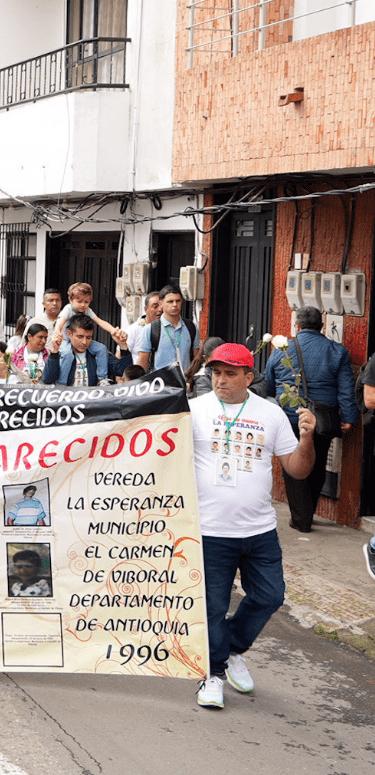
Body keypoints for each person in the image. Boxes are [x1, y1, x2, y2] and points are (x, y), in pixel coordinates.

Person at [191, 342, 315, 709]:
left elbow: (297, 469)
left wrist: (307, 438)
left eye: (230, 373)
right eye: (216, 373)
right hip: (210, 530)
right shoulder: (193, 410)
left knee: (270, 596)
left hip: (259, 530)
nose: (221, 380)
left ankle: (231, 649)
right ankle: (211, 675)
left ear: (249, 376)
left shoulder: (271, 414)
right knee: (212, 607)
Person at [263, 306, 358, 532]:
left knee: (293, 465)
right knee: (317, 463)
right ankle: (307, 513)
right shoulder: (337, 350)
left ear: (297, 326)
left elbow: (268, 382)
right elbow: (346, 388)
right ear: (322, 326)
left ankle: (301, 519)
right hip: (323, 419)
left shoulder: (281, 350)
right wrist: (349, 416)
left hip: (289, 417)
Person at [136, 285, 199, 372]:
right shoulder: (150, 329)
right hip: (160, 383)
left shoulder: (191, 327)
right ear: (161, 303)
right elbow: (143, 362)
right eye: (170, 301)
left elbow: (197, 359)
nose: (174, 305)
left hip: (184, 383)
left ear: (182, 302)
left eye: (178, 301)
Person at [42, 314, 109, 386]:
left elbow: (118, 370)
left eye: (88, 338)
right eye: (80, 337)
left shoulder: (98, 353)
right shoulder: (63, 353)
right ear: (69, 334)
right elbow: (48, 380)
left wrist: (122, 347)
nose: (84, 342)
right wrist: (54, 352)